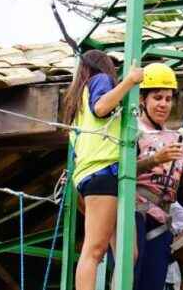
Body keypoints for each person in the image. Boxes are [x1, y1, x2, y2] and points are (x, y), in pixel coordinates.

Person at [61, 49, 143, 290]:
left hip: (98, 176)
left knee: (129, 253)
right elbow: (101, 107)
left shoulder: (77, 105)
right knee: (95, 249)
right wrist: (129, 81)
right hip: (103, 173)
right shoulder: (101, 81)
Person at [134, 63, 183, 290]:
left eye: (168, 99)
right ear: (143, 99)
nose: (163, 104)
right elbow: (118, 172)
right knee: (130, 278)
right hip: (134, 211)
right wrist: (154, 160)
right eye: (157, 97)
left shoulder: (180, 139)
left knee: (153, 284)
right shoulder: (132, 131)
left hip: (162, 219)